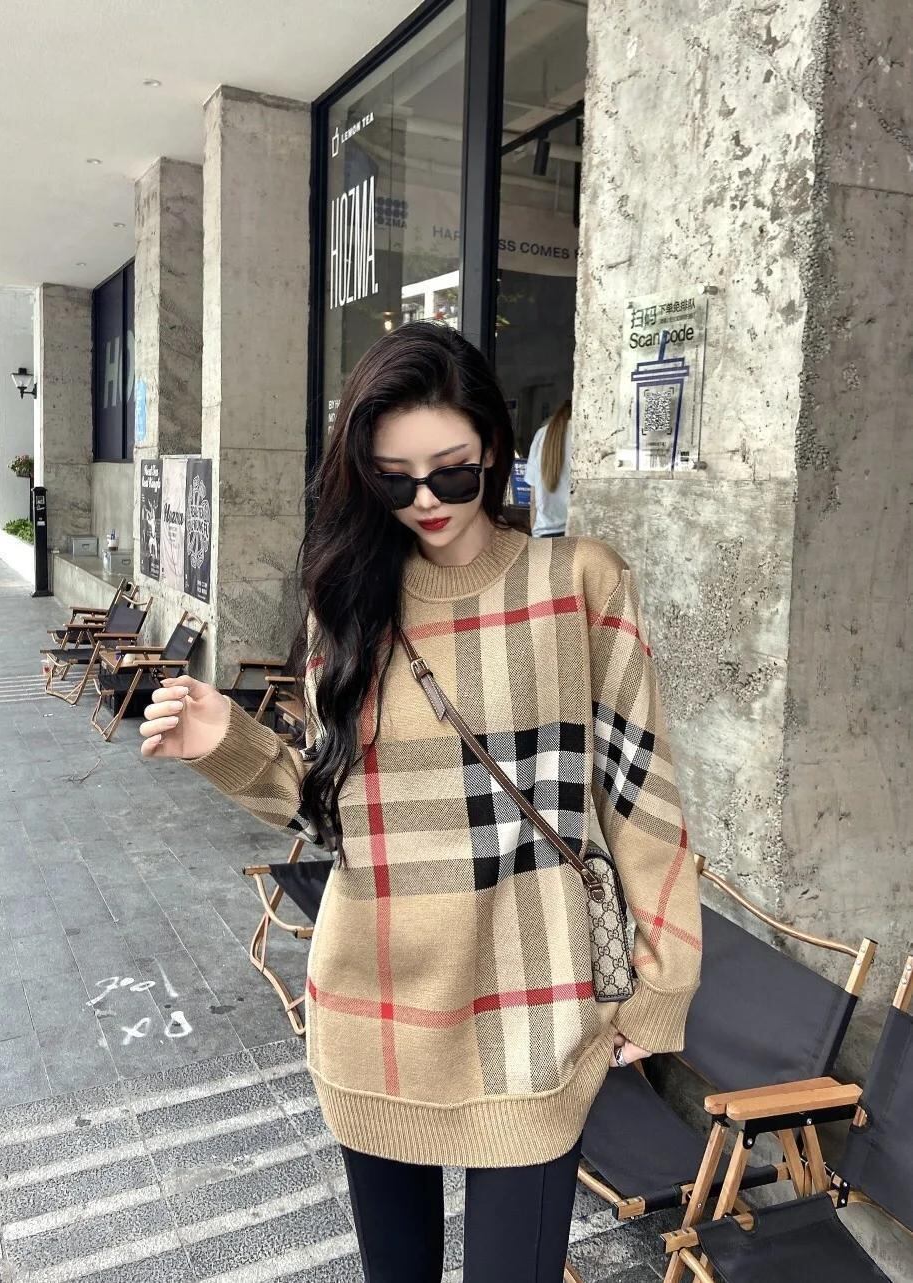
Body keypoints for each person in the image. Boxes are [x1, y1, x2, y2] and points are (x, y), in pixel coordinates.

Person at [138, 321, 702, 1283]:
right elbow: (339, 817)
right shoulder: (352, 604)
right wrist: (230, 746)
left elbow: (641, 795)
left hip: (532, 1011)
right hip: (374, 1009)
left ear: (496, 448)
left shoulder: (580, 584)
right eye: (395, 479)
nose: (427, 500)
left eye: (453, 471)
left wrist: (659, 986)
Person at [525, 397, 572, 537]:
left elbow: (533, 500)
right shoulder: (584, 435)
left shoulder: (541, 435)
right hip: (574, 533)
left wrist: (534, 535)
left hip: (544, 534)